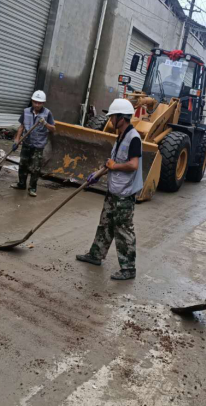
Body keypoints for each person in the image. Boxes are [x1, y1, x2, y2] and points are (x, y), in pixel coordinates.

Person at [76, 98, 142, 281]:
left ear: (122, 118)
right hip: (114, 190)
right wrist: (97, 174)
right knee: (105, 223)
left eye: (113, 117)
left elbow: (133, 165)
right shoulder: (120, 136)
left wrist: (114, 167)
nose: (111, 120)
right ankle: (95, 255)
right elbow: (112, 162)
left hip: (125, 194)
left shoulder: (133, 138)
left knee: (123, 229)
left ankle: (128, 268)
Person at [11, 90, 55, 197]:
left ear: (43, 103)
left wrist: (45, 123)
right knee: (23, 165)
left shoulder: (47, 113)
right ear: (32, 101)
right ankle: (21, 184)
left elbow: (53, 129)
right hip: (26, 143)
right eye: (35, 102)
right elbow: (21, 126)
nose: (37, 105)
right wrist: (17, 140)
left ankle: (32, 188)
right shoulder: (26, 111)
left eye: (40, 103)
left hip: (38, 145)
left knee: (35, 168)